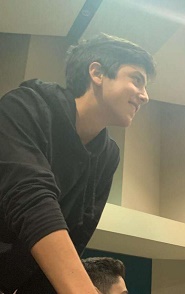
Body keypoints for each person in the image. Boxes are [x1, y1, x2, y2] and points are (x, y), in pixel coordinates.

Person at [0, 33, 155, 293]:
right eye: (136, 80)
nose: (145, 96)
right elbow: (31, 199)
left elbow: (77, 235)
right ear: (97, 73)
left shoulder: (108, 155)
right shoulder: (23, 107)